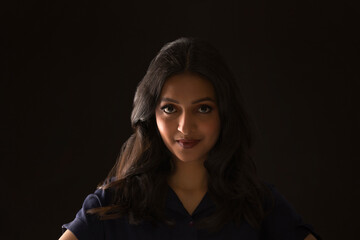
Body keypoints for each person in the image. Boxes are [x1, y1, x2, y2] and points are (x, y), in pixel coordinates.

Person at [59, 37, 321, 240]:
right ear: (151, 114)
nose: (185, 126)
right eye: (170, 109)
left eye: (203, 108)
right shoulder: (113, 204)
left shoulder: (259, 205)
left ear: (224, 113)